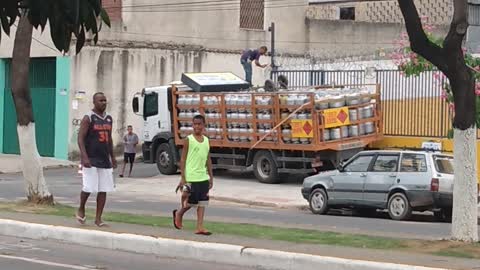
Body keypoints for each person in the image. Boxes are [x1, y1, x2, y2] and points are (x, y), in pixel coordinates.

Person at [76, 92, 117, 227]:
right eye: (101, 100)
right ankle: (81, 208)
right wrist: (84, 157)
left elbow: (109, 139)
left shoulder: (109, 119)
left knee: (103, 189)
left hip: (104, 159)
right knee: (88, 187)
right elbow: (80, 139)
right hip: (91, 159)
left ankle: (98, 219)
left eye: (105, 100)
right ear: (94, 102)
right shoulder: (89, 118)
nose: (104, 103)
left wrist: (113, 157)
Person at [173, 115, 213, 235]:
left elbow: (208, 159)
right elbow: (183, 159)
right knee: (190, 202)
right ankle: (179, 214)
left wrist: (211, 176)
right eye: (195, 124)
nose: (197, 126)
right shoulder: (188, 140)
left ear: (204, 125)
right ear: (192, 125)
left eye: (199, 124)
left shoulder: (206, 140)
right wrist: (183, 177)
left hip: (203, 177)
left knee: (202, 203)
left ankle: (200, 227)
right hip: (191, 176)